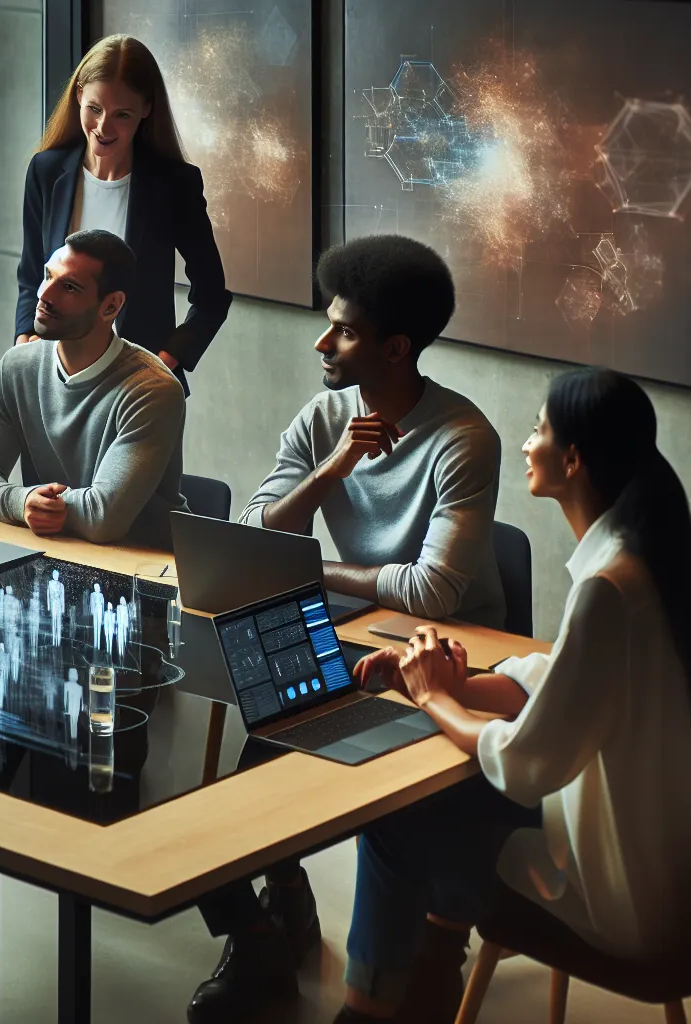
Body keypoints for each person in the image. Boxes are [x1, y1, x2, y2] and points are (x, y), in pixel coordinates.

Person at [329, 367, 691, 1023]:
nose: (526, 444)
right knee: (450, 797)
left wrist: (435, 698)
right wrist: (454, 681)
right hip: (680, 875)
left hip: (623, 898)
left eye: (538, 429)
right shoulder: (650, 563)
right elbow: (562, 687)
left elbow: (527, 764)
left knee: (394, 821)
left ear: (572, 459)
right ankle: (433, 967)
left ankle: (370, 1008)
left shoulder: (609, 588)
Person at [191, 235, 504, 1022]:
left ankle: (424, 947)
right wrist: (331, 470)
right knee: (213, 750)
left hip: (451, 651)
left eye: (345, 332)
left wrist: (316, 569)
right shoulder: (326, 414)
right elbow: (259, 527)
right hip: (357, 629)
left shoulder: (464, 439)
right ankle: (269, 921)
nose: (323, 343)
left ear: (395, 348)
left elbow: (433, 590)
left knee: (381, 787)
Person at [15, 34, 230, 394]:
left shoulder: (174, 184)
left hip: (139, 386)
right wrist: (25, 341)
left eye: (122, 115)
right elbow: (30, 271)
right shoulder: (45, 171)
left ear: (147, 109)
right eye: (94, 109)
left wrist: (164, 361)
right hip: (51, 380)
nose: (103, 127)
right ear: (79, 94)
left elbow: (212, 295)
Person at [0, 229, 188, 548]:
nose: (44, 295)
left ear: (110, 306)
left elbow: (103, 518)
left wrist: (47, 508)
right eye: (47, 276)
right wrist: (22, 502)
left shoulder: (152, 389)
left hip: (147, 572)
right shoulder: (17, 367)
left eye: (68, 287)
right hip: (57, 554)